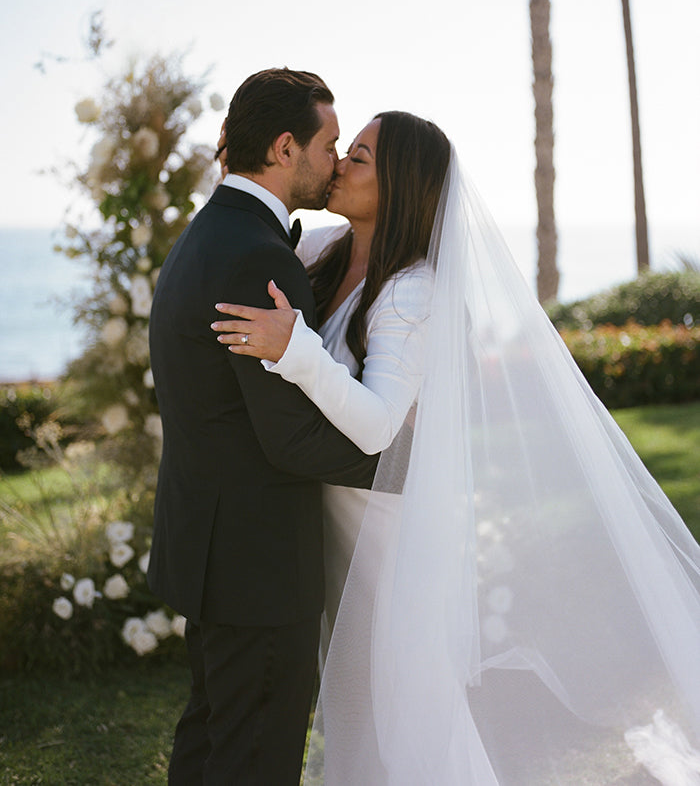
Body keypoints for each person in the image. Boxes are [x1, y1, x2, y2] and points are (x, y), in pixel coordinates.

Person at [212, 111, 700, 785]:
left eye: (360, 157)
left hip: (388, 535)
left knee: (409, 707)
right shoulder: (321, 249)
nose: (342, 164)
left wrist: (294, 349)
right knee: (355, 705)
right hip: (330, 515)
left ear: (403, 185)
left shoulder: (414, 289)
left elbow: (381, 425)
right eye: (344, 149)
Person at [147, 68, 378, 786]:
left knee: (213, 744)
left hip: (214, 549)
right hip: (259, 566)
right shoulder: (256, 256)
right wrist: (401, 461)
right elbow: (290, 436)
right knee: (254, 761)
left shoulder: (211, 232)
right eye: (330, 143)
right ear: (285, 148)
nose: (337, 161)